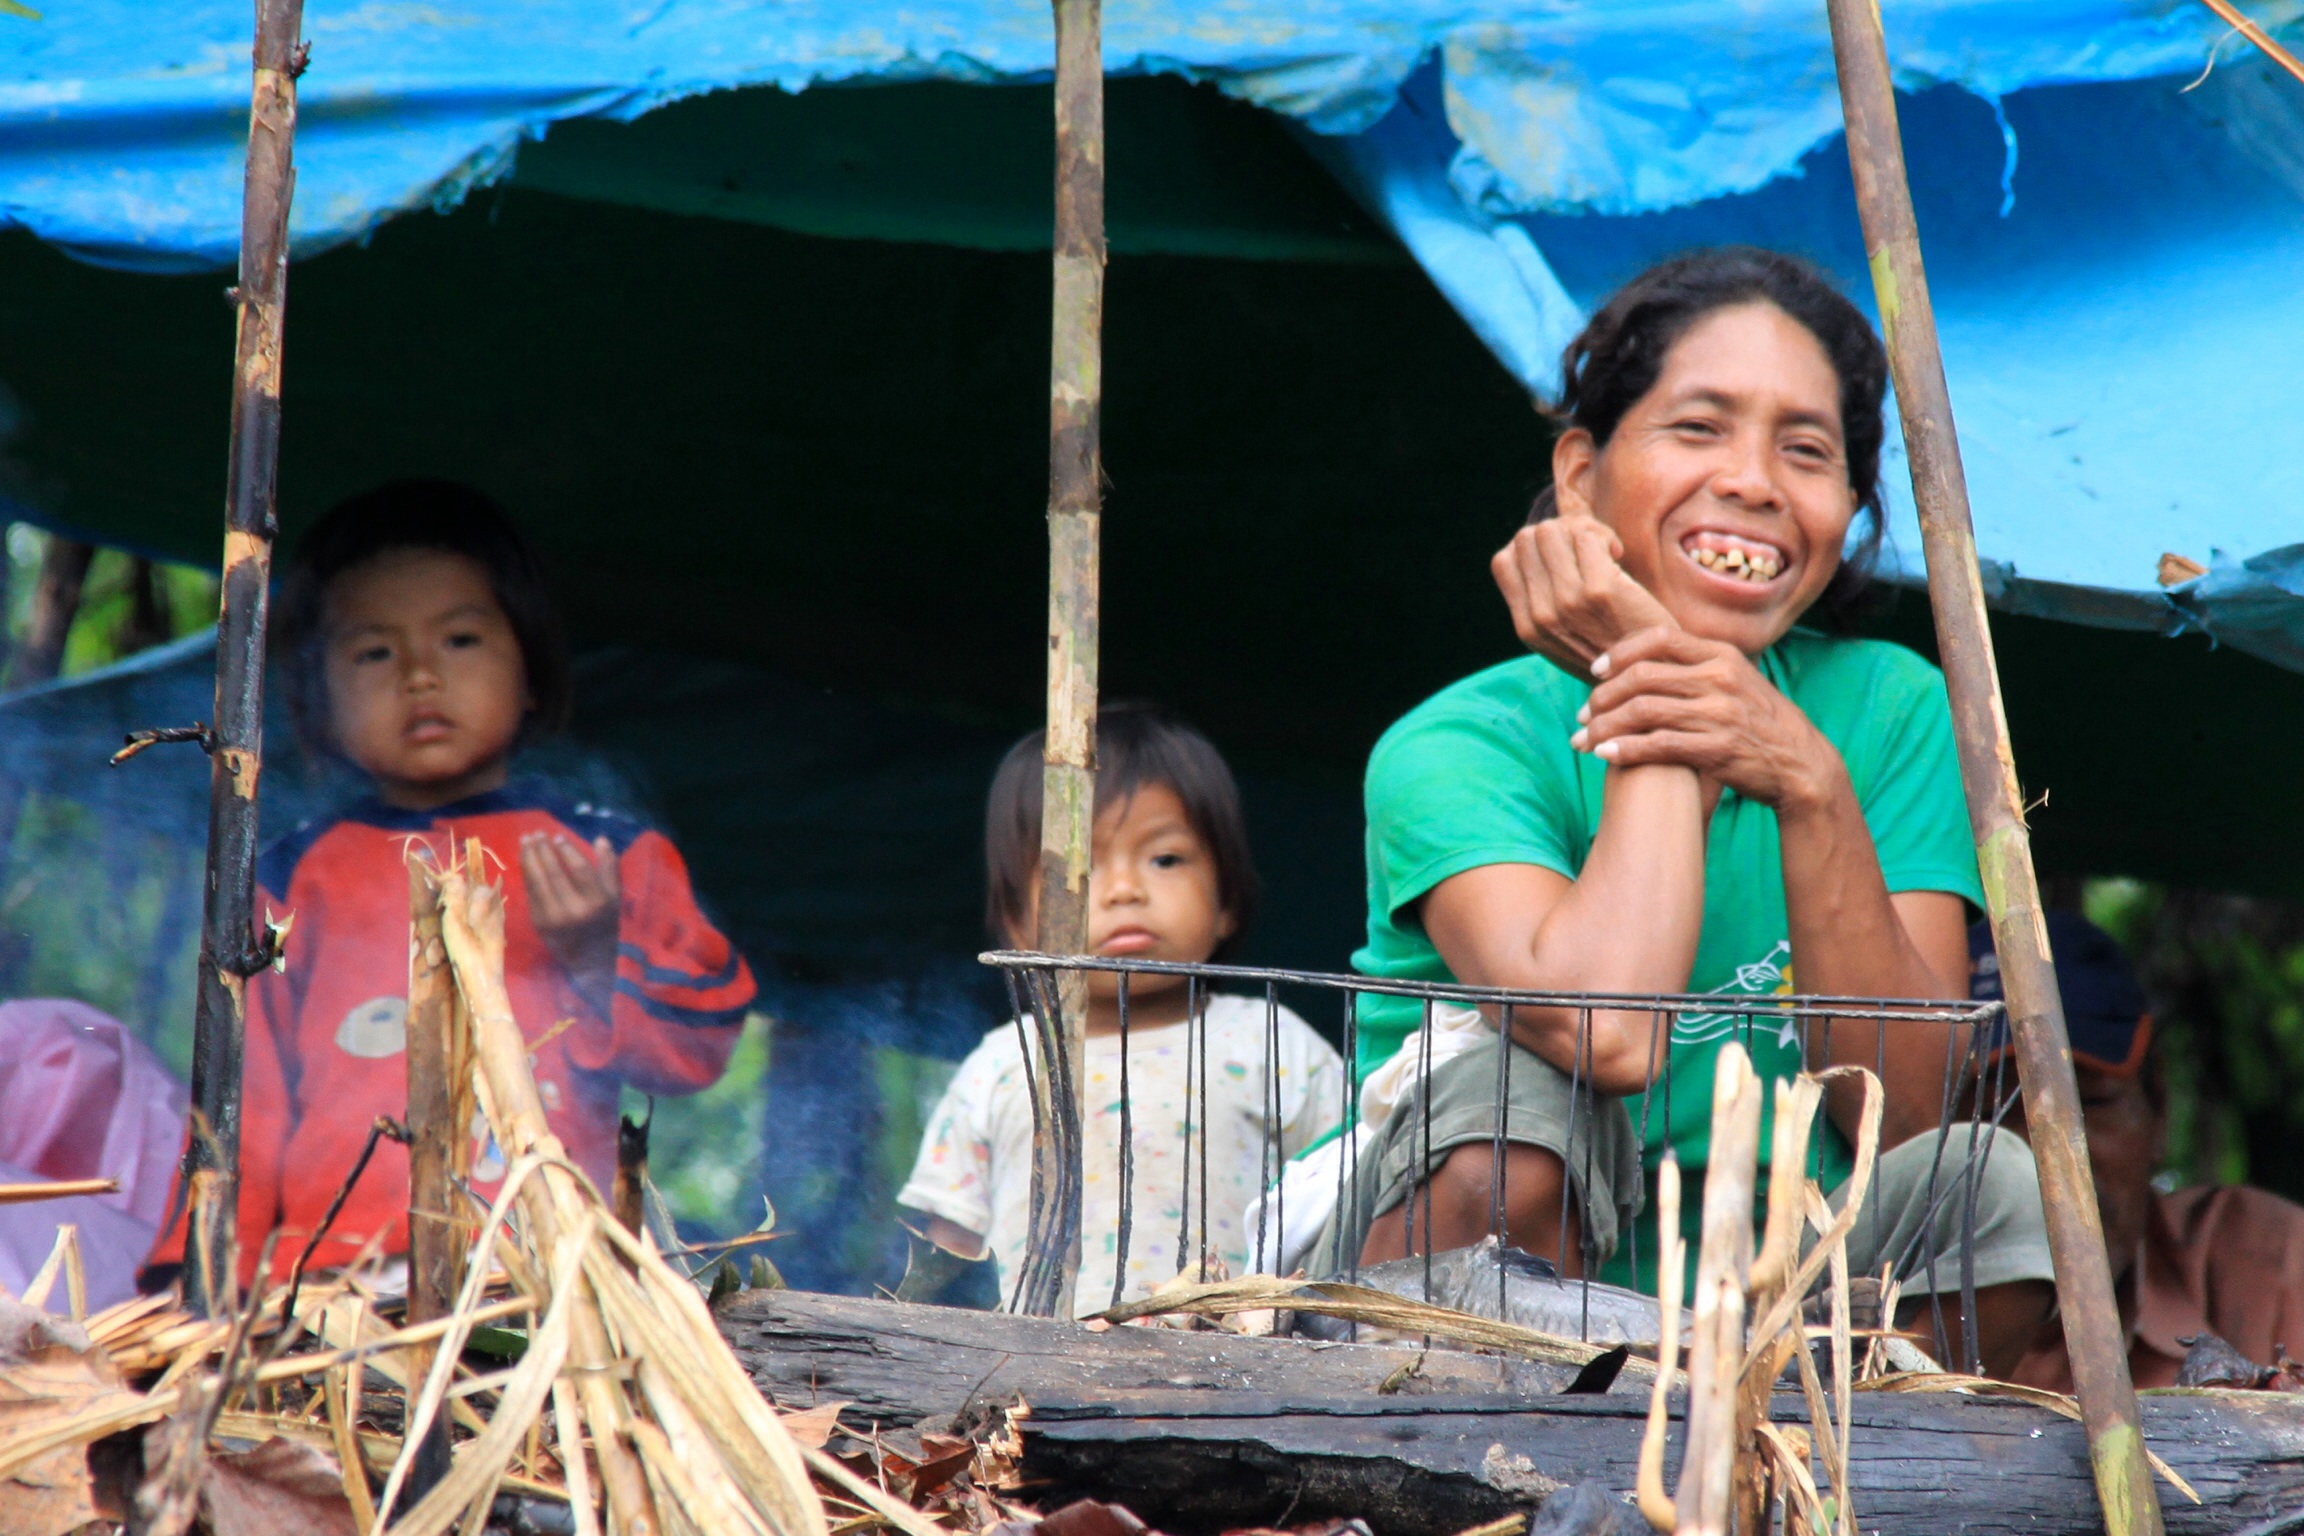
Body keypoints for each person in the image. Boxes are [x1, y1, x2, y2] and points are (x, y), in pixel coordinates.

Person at [1316, 247, 2055, 1376]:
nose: (1755, 480)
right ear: (1580, 476)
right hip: (1450, 1322)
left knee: (1988, 1185)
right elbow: (1609, 1031)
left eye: (1806, 451)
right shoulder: (1458, 745)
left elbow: (1900, 1120)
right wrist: (1657, 676)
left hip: (1767, 1322)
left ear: (1849, 515)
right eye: (1698, 428)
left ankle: (1833, 1478)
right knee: (1519, 1105)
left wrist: (1809, 787)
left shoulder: (1889, 709)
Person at [146, 479, 754, 1289]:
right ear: (317, 704)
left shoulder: (607, 855)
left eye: (460, 639)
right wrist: (193, 1282)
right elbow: (241, 1112)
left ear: (531, 667)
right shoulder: (291, 880)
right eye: (374, 652)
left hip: (551, 1275)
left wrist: (593, 961)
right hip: (335, 1291)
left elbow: (697, 1048)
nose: (420, 675)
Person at [898, 705, 1345, 1317]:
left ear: (1227, 901)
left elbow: (1350, 1211)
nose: (1124, 890)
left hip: (1242, 1373)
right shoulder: (1002, 1063)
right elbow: (949, 1251)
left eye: (1164, 859)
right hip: (1028, 1376)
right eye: (1078, 868)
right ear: (1016, 925)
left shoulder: (1273, 1043)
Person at [1979, 912, 2304, 1391]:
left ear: (2160, 1110)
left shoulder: (2265, 1263)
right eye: (1999, 1113)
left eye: (2088, 1104)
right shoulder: (1866, 1326)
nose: (2048, 1160)